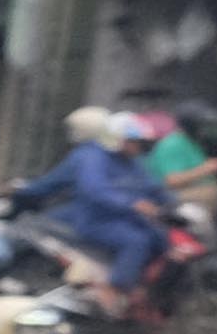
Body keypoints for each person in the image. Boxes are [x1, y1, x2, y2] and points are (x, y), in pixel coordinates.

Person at [46, 105, 179, 301]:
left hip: (129, 220)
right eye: (133, 141)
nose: (138, 146)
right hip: (98, 221)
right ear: (117, 139)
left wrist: (174, 203)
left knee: (162, 240)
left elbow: (152, 187)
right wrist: (132, 204)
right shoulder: (95, 159)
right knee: (136, 241)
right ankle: (116, 290)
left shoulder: (134, 163)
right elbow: (95, 190)